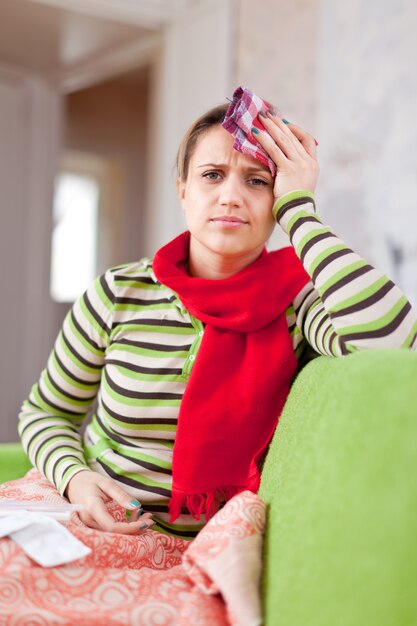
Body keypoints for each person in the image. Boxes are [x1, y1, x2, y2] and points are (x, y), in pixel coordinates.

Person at [17, 92, 417, 541]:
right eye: (212, 175)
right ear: (183, 190)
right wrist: (74, 479)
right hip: (85, 518)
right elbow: (46, 413)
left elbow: (393, 342)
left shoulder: (296, 304)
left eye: (257, 182)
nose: (230, 196)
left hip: (213, 547)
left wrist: (300, 211)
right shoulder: (118, 293)